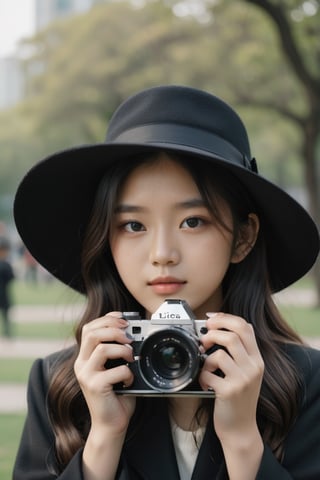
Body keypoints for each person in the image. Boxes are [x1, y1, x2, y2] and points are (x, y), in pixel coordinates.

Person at [13, 85, 320, 480]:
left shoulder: (306, 384)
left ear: (243, 237)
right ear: (108, 238)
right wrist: (103, 438)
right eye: (133, 225)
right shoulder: (63, 384)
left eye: (192, 221)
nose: (162, 253)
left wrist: (243, 440)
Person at [0, 235, 14, 337]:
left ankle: (7, 332)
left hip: (4, 293)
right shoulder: (6, 265)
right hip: (4, 293)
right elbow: (11, 278)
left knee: (5, 314)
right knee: (5, 315)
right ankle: (7, 332)